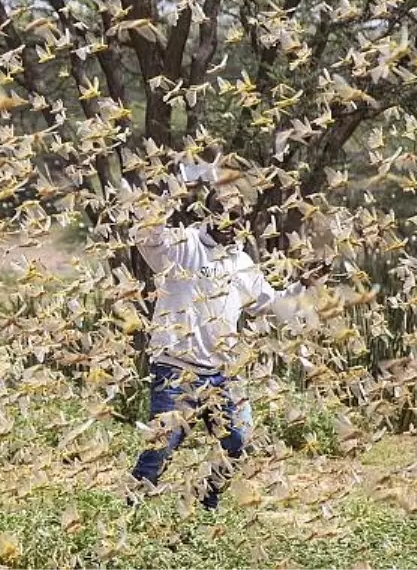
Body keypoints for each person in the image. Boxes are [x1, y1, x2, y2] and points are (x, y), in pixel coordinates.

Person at [123, 154, 313, 511]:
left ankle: (205, 500)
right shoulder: (184, 247)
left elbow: (268, 303)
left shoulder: (241, 262)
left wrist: (304, 286)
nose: (229, 221)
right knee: (161, 447)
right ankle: (128, 517)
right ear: (207, 214)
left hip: (222, 375)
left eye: (236, 216)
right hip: (175, 371)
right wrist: (175, 187)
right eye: (221, 212)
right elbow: (147, 234)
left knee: (238, 442)